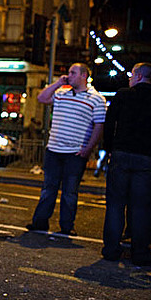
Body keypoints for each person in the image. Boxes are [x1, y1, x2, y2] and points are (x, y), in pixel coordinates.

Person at [101, 63, 151, 266]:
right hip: (147, 158)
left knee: (115, 204)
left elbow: (109, 123)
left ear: (139, 76)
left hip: (122, 154)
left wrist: (109, 148)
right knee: (141, 207)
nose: (130, 78)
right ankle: (140, 252)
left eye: (132, 74)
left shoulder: (123, 95)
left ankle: (111, 249)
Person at [26, 63, 106, 235]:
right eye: (69, 72)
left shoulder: (96, 99)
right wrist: (57, 83)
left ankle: (67, 226)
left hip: (75, 153)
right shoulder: (62, 93)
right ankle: (40, 223)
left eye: (73, 73)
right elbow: (41, 98)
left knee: (70, 192)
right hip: (54, 150)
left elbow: (99, 126)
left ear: (84, 76)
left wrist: (88, 149)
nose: (69, 75)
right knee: (48, 189)